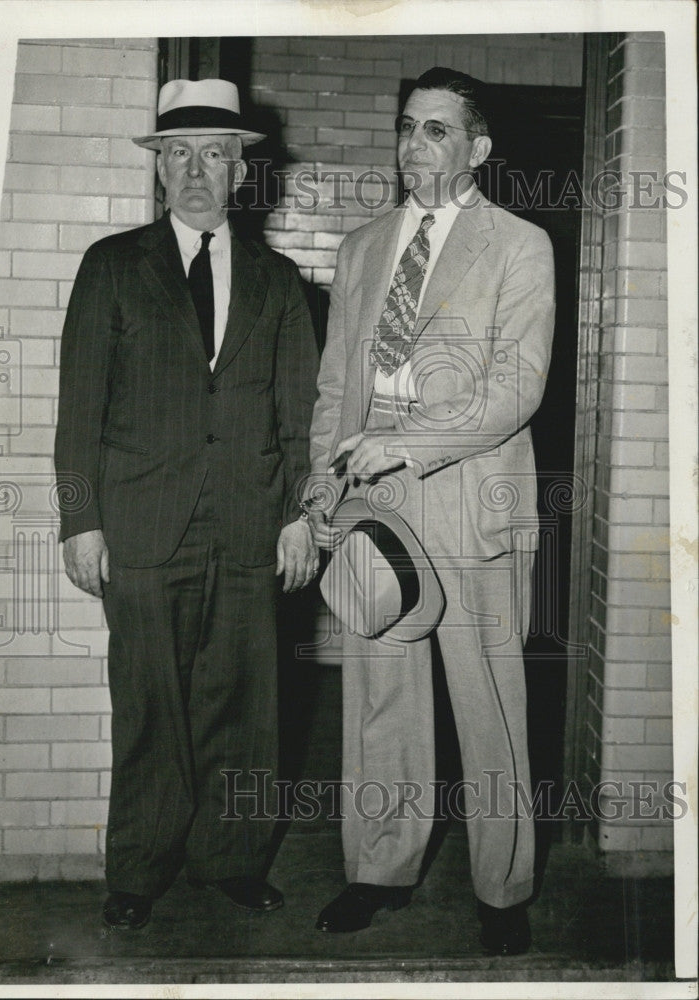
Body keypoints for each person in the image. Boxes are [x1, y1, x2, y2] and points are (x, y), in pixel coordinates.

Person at [54, 78, 319, 930]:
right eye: (177, 154)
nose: (195, 171)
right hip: (138, 524)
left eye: (214, 153)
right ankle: (138, 868)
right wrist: (79, 519)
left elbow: (301, 413)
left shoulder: (281, 282)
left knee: (245, 705)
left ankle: (233, 861)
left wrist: (301, 515)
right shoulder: (111, 265)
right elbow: (76, 412)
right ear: (159, 169)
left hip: (249, 521)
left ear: (241, 169)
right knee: (147, 703)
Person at [303, 67, 555, 954]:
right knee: (380, 704)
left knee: (488, 705)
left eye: (438, 131)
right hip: (375, 510)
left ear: (478, 148)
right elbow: (336, 388)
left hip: (470, 503)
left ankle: (503, 886)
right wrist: (320, 496)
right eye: (408, 128)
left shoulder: (518, 246)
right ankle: (378, 869)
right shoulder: (362, 248)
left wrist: (410, 442)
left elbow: (516, 389)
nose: (415, 146)